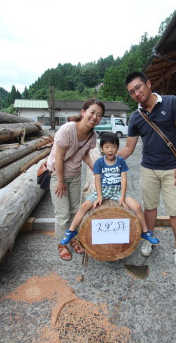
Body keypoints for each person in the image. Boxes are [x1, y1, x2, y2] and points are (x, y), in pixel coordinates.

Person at [117, 71, 176, 268]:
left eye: (138, 88)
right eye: (131, 92)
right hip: (148, 168)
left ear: (148, 84)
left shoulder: (171, 102)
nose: (136, 94)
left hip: (171, 169)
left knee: (175, 210)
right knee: (149, 207)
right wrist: (108, 159)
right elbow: (129, 148)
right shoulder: (135, 117)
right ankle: (149, 238)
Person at [60, 132, 160, 246]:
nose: (110, 150)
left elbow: (124, 179)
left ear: (117, 147)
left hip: (117, 191)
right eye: (107, 147)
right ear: (102, 149)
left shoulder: (121, 161)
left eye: (113, 147)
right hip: (102, 190)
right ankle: (71, 231)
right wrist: (99, 195)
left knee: (137, 207)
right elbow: (97, 180)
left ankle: (145, 232)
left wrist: (122, 196)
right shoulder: (99, 162)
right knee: (83, 207)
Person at [47, 98, 105, 261]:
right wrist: (60, 181)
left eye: (99, 115)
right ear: (83, 112)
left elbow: (85, 154)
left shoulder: (92, 136)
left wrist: (94, 168)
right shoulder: (67, 130)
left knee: (74, 211)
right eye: (92, 112)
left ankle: (72, 239)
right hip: (58, 176)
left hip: (75, 175)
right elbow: (58, 158)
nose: (95, 117)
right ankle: (61, 244)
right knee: (63, 214)